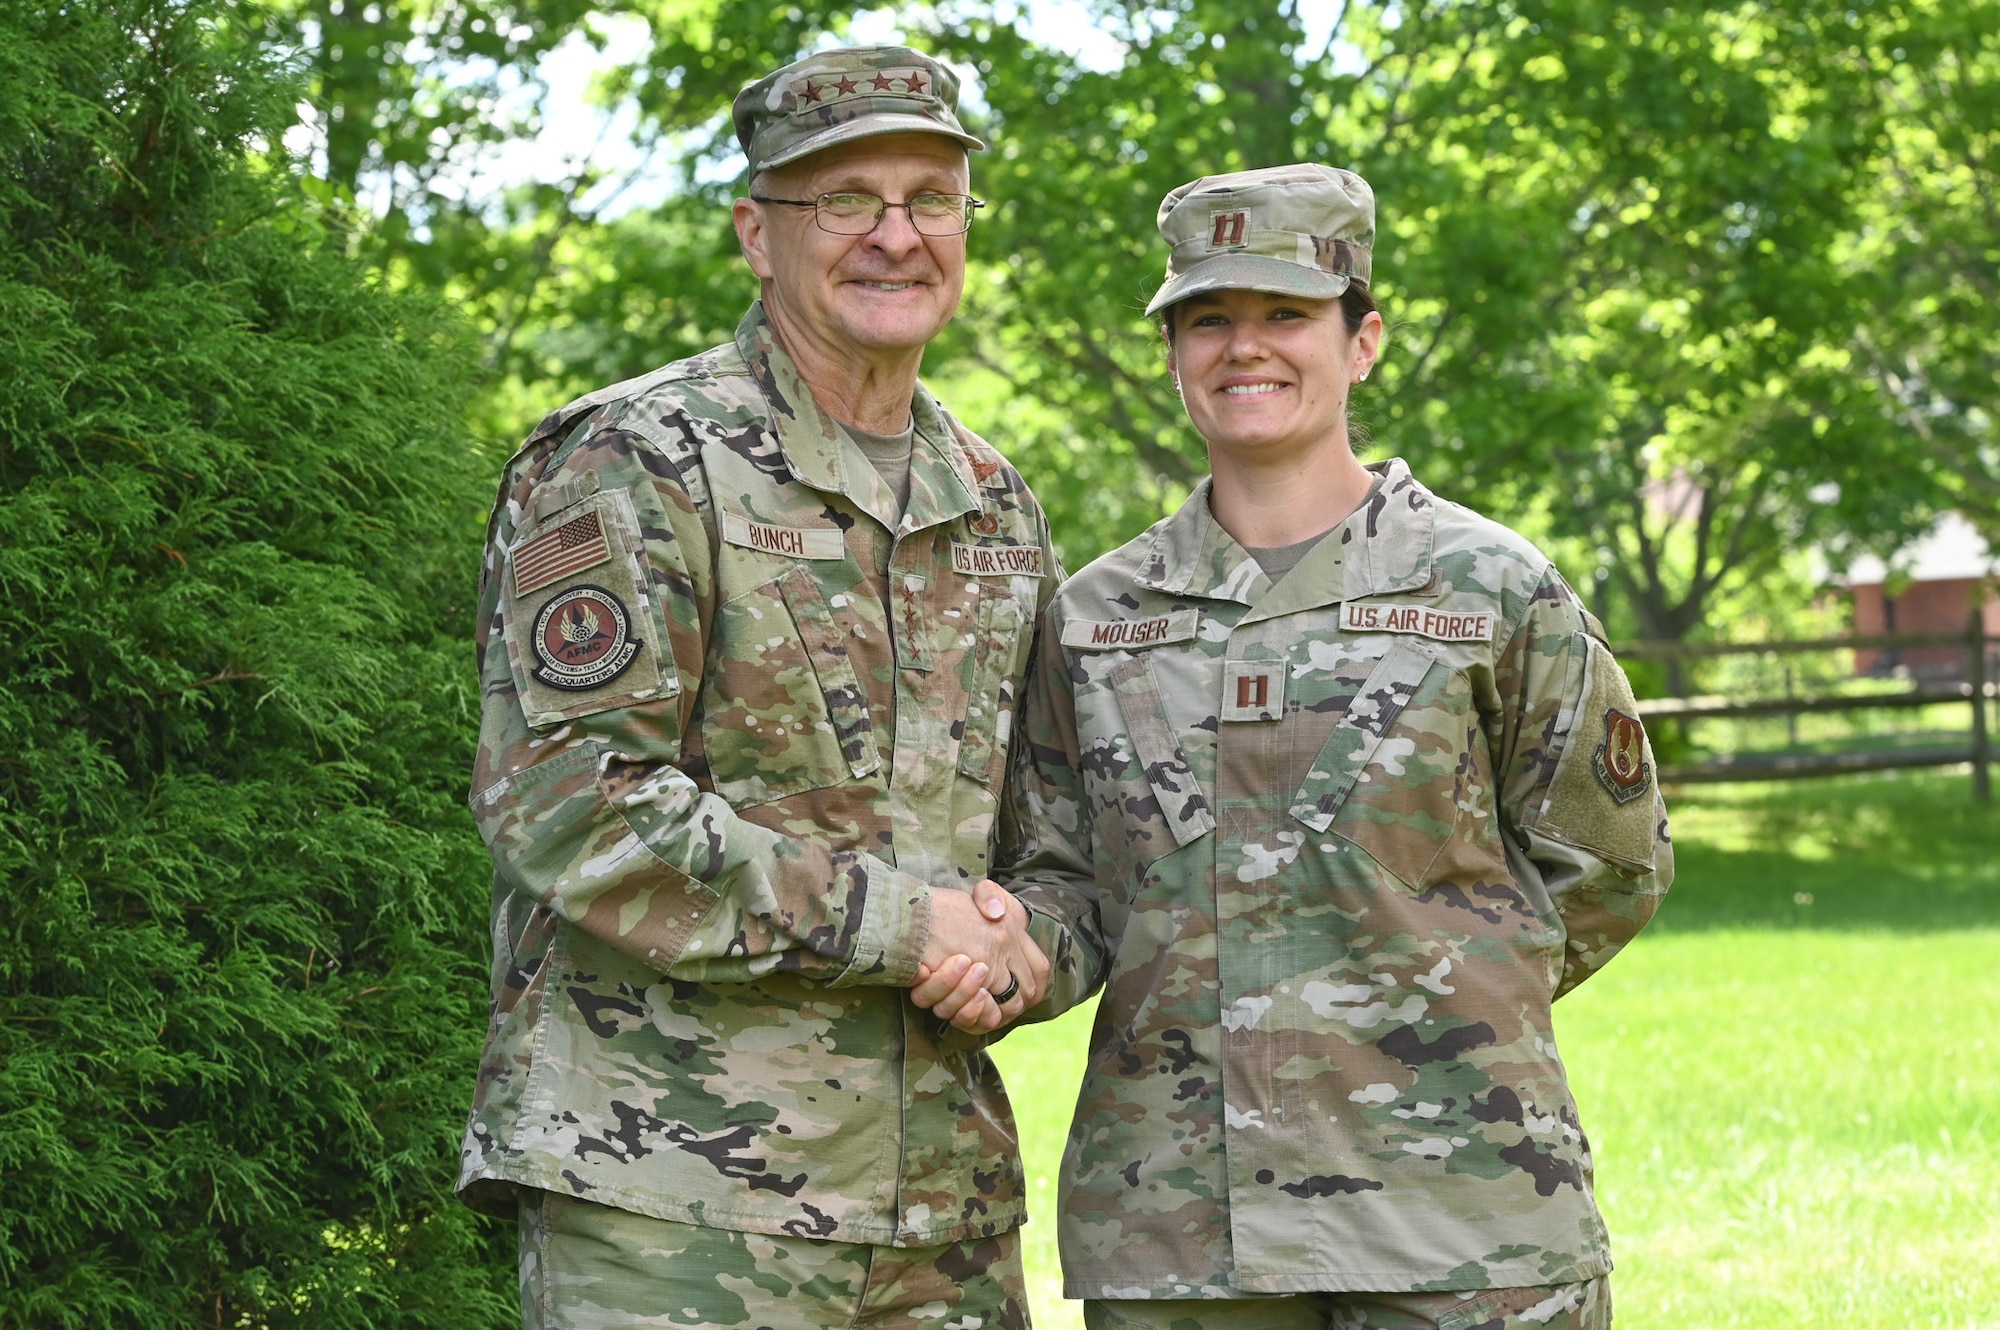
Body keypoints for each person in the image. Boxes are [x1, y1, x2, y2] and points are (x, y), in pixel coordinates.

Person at [969, 164, 1673, 1328]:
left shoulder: (1490, 588)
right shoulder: (1092, 617)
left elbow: (1609, 864)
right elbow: (1069, 882)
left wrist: (1436, 995)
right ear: (1173, 353)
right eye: (1208, 320)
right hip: (1178, 1228)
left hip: (1460, 1209)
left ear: (1361, 341)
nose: (1244, 348)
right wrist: (1000, 949)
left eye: (1285, 314)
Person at [458, 45, 1057, 1330]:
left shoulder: (995, 503)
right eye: (845, 201)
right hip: (673, 1201)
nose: (896, 237)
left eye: (931, 199)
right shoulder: (635, 460)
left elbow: (1052, 830)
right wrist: (909, 928)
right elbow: (576, 803)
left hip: (940, 1215)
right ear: (755, 231)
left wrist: (1025, 954)